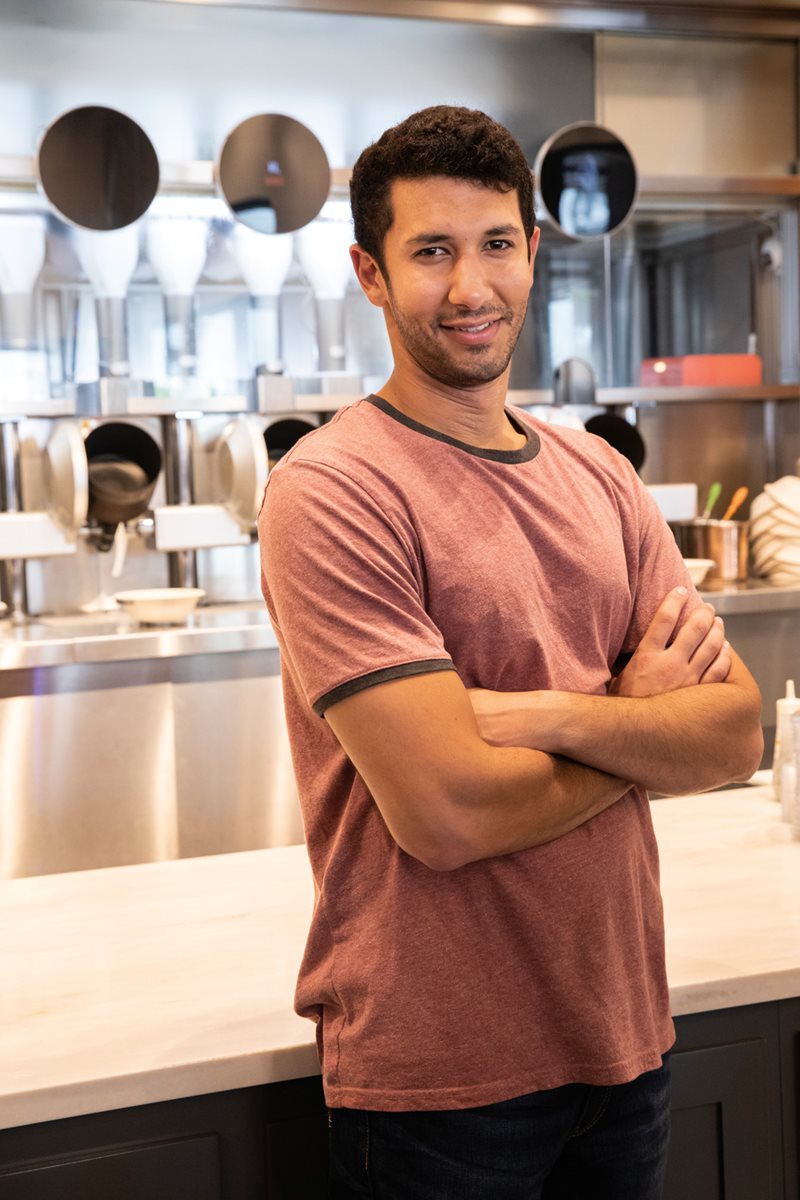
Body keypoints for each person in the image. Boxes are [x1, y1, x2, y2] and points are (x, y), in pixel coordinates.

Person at [257, 105, 763, 1200]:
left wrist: (553, 714)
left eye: (493, 244)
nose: (469, 285)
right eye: (429, 251)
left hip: (624, 1040)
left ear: (532, 252)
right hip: (438, 1082)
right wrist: (638, 719)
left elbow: (730, 730)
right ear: (370, 273)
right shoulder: (333, 489)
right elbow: (445, 815)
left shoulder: (599, 477)